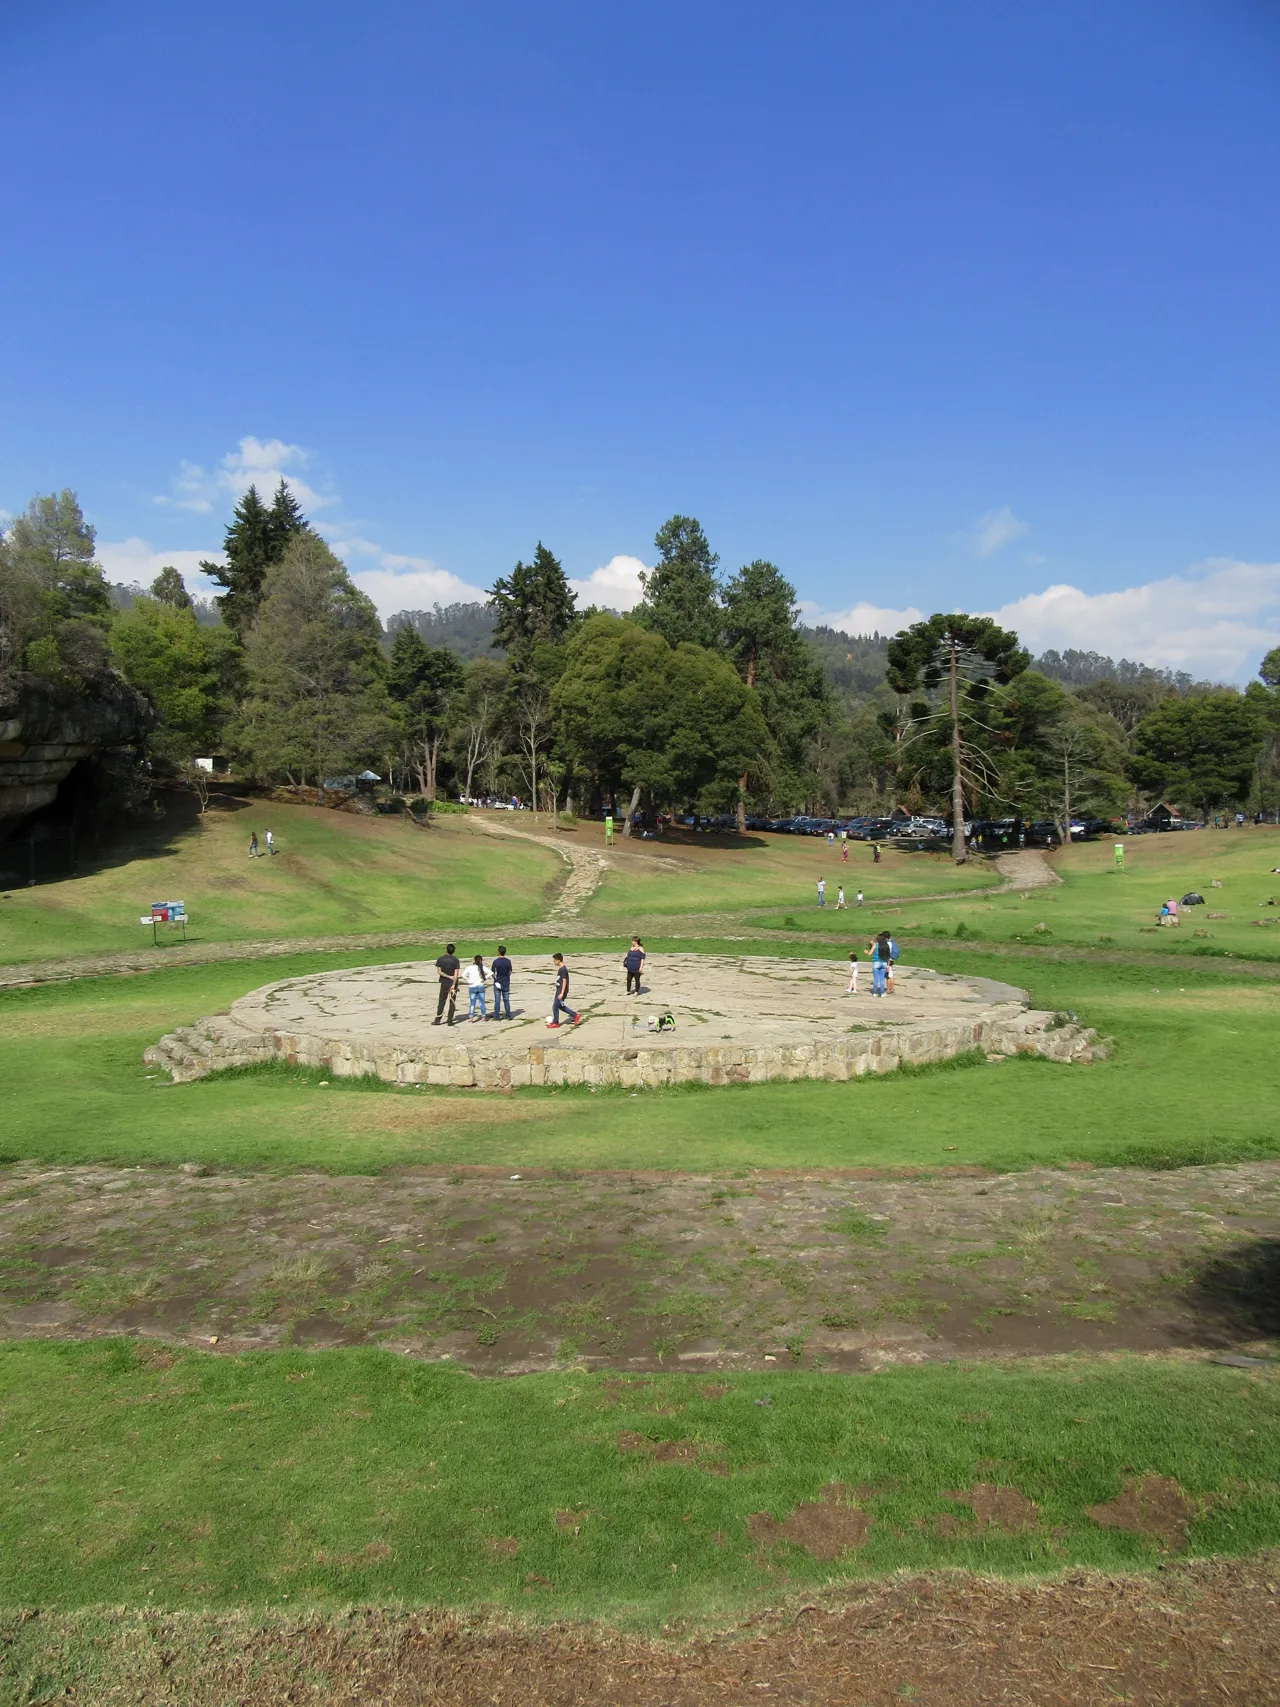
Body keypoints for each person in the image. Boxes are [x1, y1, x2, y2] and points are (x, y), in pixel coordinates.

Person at [548, 953, 580, 1028]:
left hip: (561, 991)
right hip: (559, 990)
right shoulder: (561, 968)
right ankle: (575, 1015)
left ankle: (556, 1023)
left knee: (555, 1006)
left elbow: (564, 981)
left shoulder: (563, 969)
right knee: (560, 1006)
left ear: (559, 960)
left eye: (555, 960)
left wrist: (562, 993)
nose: (554, 962)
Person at [432, 942, 461, 1025]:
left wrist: (448, 977)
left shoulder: (440, 959)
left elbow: (439, 972)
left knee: (442, 1001)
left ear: (446, 949)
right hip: (453, 983)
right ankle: (450, 1020)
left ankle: (438, 1019)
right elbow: (456, 974)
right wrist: (453, 985)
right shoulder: (456, 960)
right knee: (452, 1002)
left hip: (444, 982)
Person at [491, 944, 513, 1019]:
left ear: (499, 952)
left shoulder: (496, 962)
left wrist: (495, 979)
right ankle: (508, 1015)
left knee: (497, 1000)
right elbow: (510, 972)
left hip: (497, 982)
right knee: (506, 1000)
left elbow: (493, 973)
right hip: (506, 982)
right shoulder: (508, 961)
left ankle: (496, 1016)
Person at [464, 953, 488, 1021]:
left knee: (472, 1003)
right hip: (480, 986)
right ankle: (483, 1017)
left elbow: (463, 975)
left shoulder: (469, 967)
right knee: (482, 1003)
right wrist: (484, 978)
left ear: (474, 960)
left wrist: (468, 980)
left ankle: (471, 1017)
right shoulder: (482, 967)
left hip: (472, 986)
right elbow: (490, 972)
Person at [870, 933, 888, 997]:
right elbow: (888, 955)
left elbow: (870, 953)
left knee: (875, 979)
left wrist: (866, 952)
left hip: (876, 963)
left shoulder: (875, 945)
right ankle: (882, 993)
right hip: (883, 963)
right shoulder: (886, 946)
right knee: (882, 979)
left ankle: (874, 992)